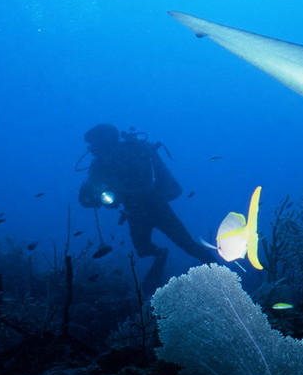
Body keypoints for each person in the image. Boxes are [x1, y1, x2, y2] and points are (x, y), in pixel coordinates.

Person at [78, 123, 215, 291]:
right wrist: (100, 197)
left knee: (187, 244)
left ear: (106, 141)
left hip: (155, 206)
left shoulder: (135, 151)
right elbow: (84, 198)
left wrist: (116, 195)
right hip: (135, 211)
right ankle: (161, 256)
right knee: (143, 249)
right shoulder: (99, 164)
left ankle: (223, 276)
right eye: (92, 144)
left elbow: (151, 180)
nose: (92, 148)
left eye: (96, 143)